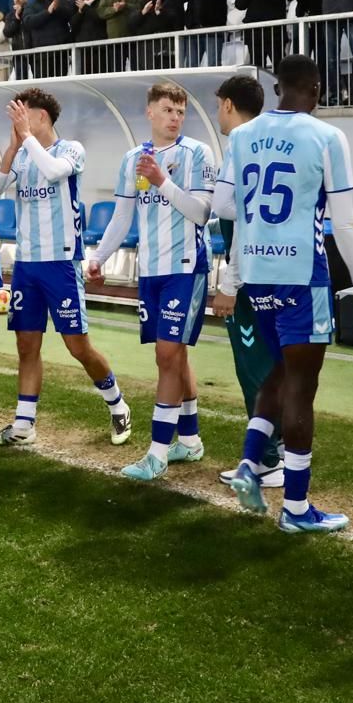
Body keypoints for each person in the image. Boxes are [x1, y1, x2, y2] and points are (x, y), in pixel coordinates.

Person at [219, 55, 353, 533]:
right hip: (303, 275)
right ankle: (297, 508)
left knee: (279, 373)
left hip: (259, 275)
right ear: (316, 87)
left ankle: (249, 464)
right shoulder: (326, 136)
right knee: (301, 391)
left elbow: (225, 204)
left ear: (278, 87)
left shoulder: (242, 136)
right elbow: (344, 221)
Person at [0, 89, 132, 448]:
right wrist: (12, 146)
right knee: (26, 345)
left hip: (61, 263)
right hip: (26, 266)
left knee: (77, 346)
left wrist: (28, 140)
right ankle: (24, 425)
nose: (19, 122)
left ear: (42, 118)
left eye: (24, 115)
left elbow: (53, 172)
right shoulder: (21, 154)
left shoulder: (71, 150)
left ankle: (118, 405)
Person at [85, 82, 215, 483]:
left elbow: (202, 212)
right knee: (176, 356)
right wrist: (98, 258)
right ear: (150, 113)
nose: (175, 117)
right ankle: (190, 441)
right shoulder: (133, 159)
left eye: (180, 111)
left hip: (186, 265)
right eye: (168, 110)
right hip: (152, 270)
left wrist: (162, 181)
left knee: (165, 355)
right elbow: (123, 216)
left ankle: (157, 452)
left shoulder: (197, 153)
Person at [208, 75, 284, 490]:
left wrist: (229, 284)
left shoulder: (241, 143)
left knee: (254, 369)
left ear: (228, 105)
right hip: (279, 272)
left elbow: (226, 208)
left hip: (250, 273)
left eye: (219, 104)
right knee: (277, 365)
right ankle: (285, 450)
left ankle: (267, 460)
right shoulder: (273, 140)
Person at [22, 0, 74, 78]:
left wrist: (57, 8)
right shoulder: (30, 6)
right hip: (42, 56)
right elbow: (29, 22)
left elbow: (71, 14)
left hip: (61, 53)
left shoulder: (59, 1)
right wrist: (48, 12)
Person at [131, 0, 182, 70]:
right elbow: (131, 24)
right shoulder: (139, 4)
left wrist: (159, 12)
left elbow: (173, 19)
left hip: (163, 46)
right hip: (145, 47)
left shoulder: (166, 0)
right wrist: (142, 13)